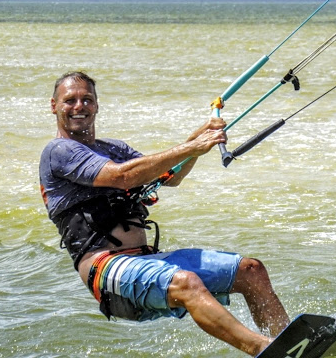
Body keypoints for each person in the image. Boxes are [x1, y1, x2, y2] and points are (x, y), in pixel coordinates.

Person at [39, 71, 290, 356]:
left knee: (251, 271)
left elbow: (170, 176)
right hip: (106, 270)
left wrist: (197, 142)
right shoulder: (58, 151)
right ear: (54, 105)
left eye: (87, 99)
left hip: (146, 260)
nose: (79, 106)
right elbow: (123, 176)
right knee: (187, 282)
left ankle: (291, 343)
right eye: (69, 100)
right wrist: (192, 145)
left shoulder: (114, 148)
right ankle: (267, 351)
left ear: (96, 105)